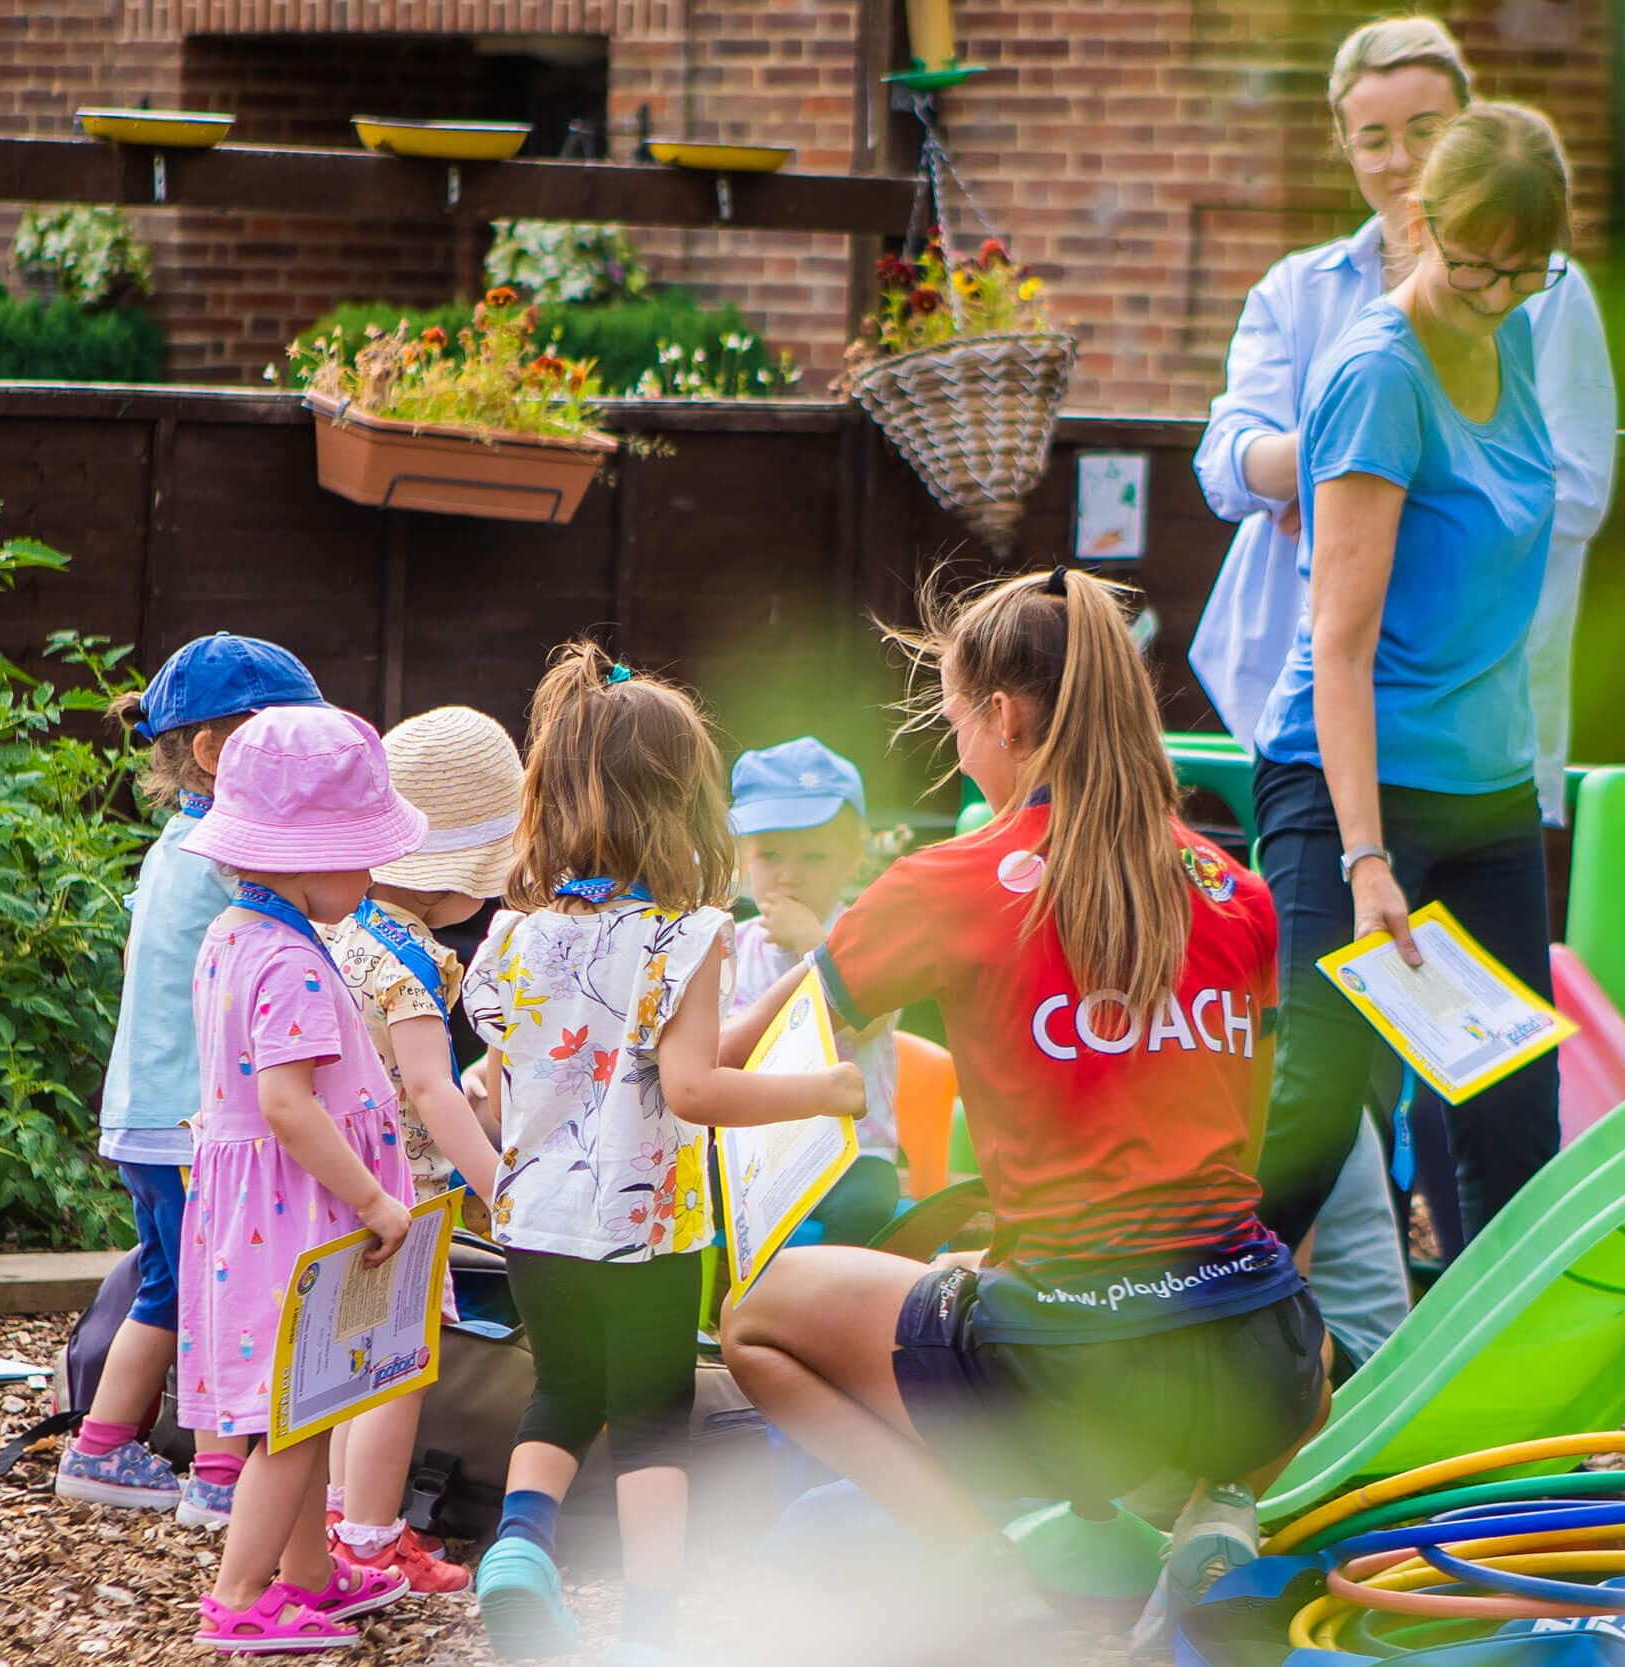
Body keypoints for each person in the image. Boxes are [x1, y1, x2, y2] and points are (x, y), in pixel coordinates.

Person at [718, 568, 1328, 1640]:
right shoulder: (1241, 892)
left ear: (1002, 714)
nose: (959, 749)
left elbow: (750, 1047)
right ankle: (1215, 1508)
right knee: (1040, 1279)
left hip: (1069, 1371)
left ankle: (990, 1581)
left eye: (956, 722)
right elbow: (1235, 1144)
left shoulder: (943, 885)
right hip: (1273, 1362)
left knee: (757, 1319)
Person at [462, 644, 864, 1665]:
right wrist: (822, 1090)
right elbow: (693, 1090)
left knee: (561, 1389)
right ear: (680, 809)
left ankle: (518, 1545)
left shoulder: (513, 934)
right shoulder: (686, 937)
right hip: (643, 1221)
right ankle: (651, 1627)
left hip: (534, 1216)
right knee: (648, 1414)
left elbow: (505, 1086)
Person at [1250, 103, 1578, 1255]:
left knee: (1510, 1116)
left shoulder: (1516, 336)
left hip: (1484, 789)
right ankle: (1163, 1347)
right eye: (1472, 264)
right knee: (1315, 1101)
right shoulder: (1376, 376)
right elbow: (1335, 642)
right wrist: (1366, 857)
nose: (1492, 294)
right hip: (1347, 781)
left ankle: (1498, 1398)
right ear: (1421, 222)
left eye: (1520, 273)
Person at [1192, 15, 1616, 827]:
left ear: (1467, 129)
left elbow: (1580, 491)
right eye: (1373, 138)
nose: (1401, 160)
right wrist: (1340, 477)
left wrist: (1373, 493)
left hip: (1473, 723)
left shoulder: (1546, 291)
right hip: (1305, 701)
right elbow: (1225, 464)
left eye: (1427, 131)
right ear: (1345, 147)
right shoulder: (1297, 289)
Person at [54, 633, 322, 1526]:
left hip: (144, 1114)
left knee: (169, 1284)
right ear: (216, 752)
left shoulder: (175, 844)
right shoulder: (227, 854)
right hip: (192, 1123)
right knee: (218, 1287)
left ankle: (101, 1448)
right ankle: (217, 1472)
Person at [178, 705, 430, 1652]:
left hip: (256, 1214)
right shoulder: (288, 957)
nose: (371, 877)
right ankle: (241, 1595)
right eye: (361, 856)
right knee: (288, 1425)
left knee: (304, 1408)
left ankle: (308, 1575)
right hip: (291, 1219)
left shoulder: (235, 935)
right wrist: (372, 1199)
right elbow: (286, 1104)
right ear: (305, 853)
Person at [318, 704, 522, 1593]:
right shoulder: (419, 966)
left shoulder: (340, 935)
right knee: (398, 1367)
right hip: (410, 1195)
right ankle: (371, 1539)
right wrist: (504, 1187)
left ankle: (333, 1518)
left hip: (340, 1185)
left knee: (340, 1364)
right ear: (455, 884)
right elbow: (434, 1090)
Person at [724, 737, 903, 1242]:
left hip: (852, 1150)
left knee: (870, 1203)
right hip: (755, 1150)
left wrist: (817, 950)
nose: (789, 874)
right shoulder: (727, 950)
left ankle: (836, 1303)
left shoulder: (869, 937)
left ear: (853, 860)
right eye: (770, 855)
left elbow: (874, 1021)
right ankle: (743, 1305)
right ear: (742, 865)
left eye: (815, 856)